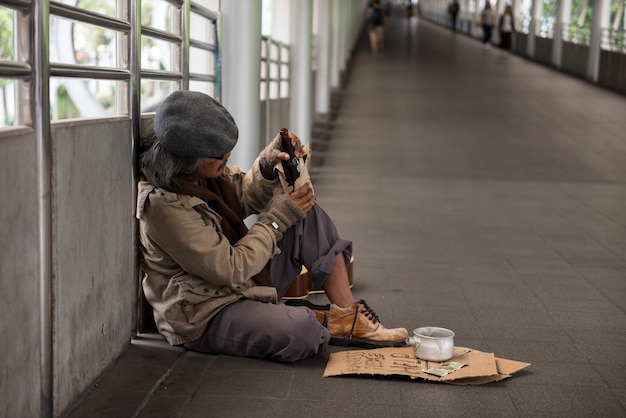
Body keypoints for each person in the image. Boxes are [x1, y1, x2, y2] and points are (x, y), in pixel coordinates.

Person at [137, 90, 408, 363]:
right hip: (204, 312)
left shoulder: (198, 175)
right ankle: (307, 319)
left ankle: (348, 316)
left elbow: (241, 195)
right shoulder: (163, 208)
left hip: (237, 284)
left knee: (305, 215)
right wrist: (277, 220)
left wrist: (268, 164)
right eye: (218, 155)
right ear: (187, 158)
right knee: (303, 332)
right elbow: (230, 269)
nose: (227, 157)